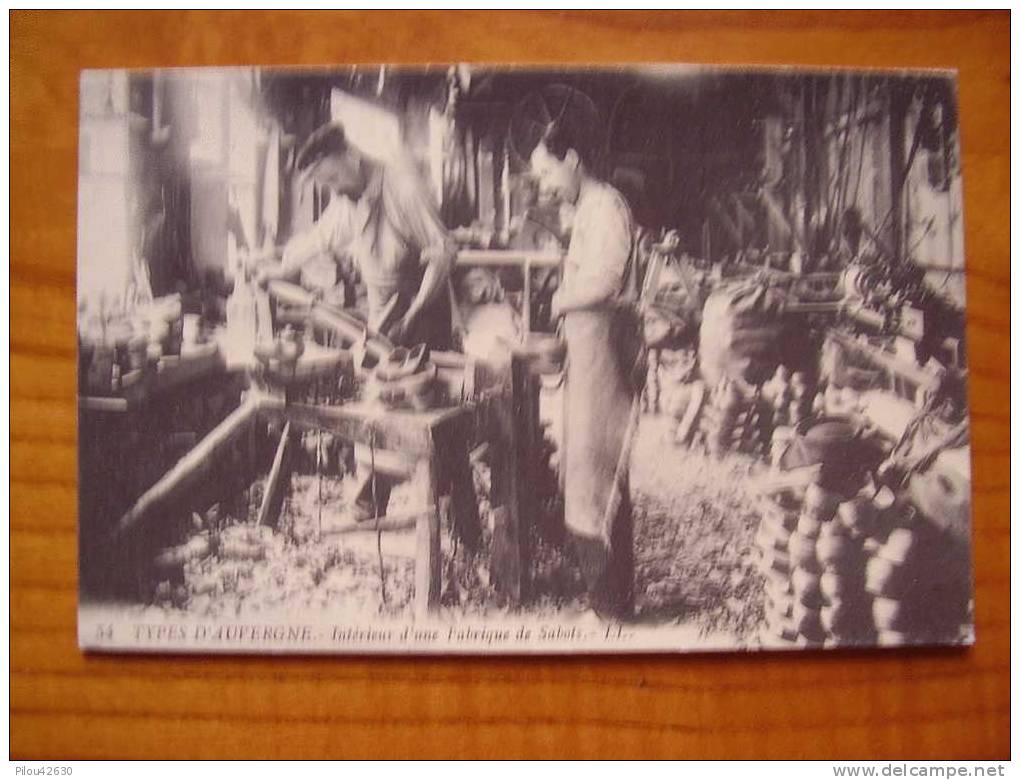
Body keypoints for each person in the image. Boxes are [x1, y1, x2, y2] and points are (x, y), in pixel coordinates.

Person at [257, 122, 477, 545]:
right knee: (380, 413)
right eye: (323, 183)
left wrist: (412, 315)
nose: (332, 187)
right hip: (383, 326)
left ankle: (460, 529)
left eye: (332, 177)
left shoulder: (401, 186)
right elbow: (320, 237)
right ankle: (367, 511)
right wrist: (276, 269)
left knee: (434, 429)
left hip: (423, 320)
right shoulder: (347, 200)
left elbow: (444, 252)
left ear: (353, 158)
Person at [529, 118, 644, 620]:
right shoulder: (586, 210)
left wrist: (558, 300)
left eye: (547, 172)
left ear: (572, 159)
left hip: (607, 351)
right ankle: (605, 599)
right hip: (587, 351)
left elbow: (604, 283)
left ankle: (614, 607)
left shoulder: (608, 207)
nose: (545, 185)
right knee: (584, 471)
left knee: (601, 472)